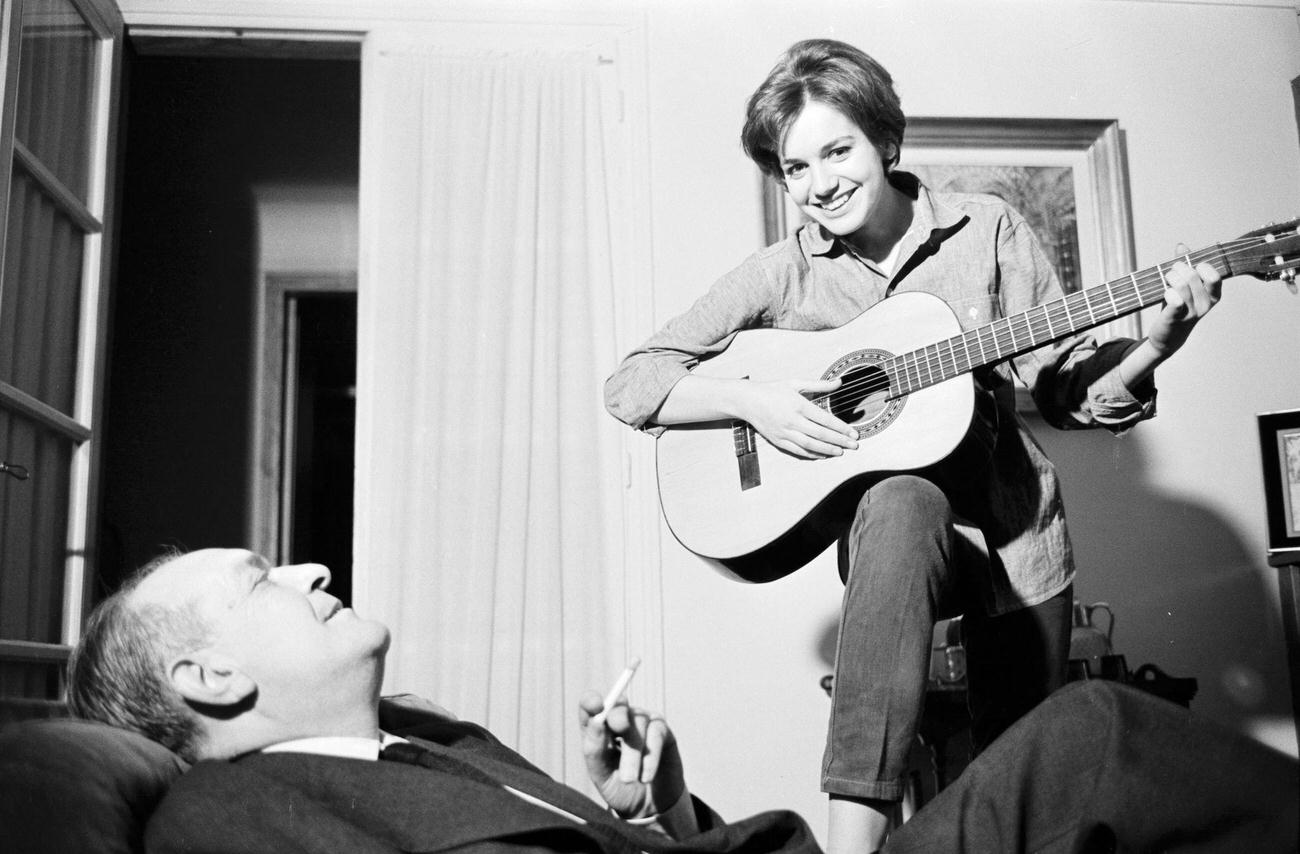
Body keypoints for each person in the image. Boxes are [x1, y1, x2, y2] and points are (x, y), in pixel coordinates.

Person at [603, 38, 1223, 852]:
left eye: (837, 150)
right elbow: (632, 382)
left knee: (1018, 799)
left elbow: (1064, 391)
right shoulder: (783, 274)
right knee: (901, 497)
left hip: (1014, 542)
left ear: (886, 140)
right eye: (796, 168)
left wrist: (1155, 345)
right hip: (897, 549)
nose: (819, 183)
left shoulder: (990, 227)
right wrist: (757, 404)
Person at [64, 548, 1297, 854]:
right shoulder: (230, 816)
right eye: (261, 576)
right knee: (1092, 741)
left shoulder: (423, 735)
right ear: (208, 679)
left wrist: (647, 806)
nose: (310, 569)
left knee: (1089, 740)